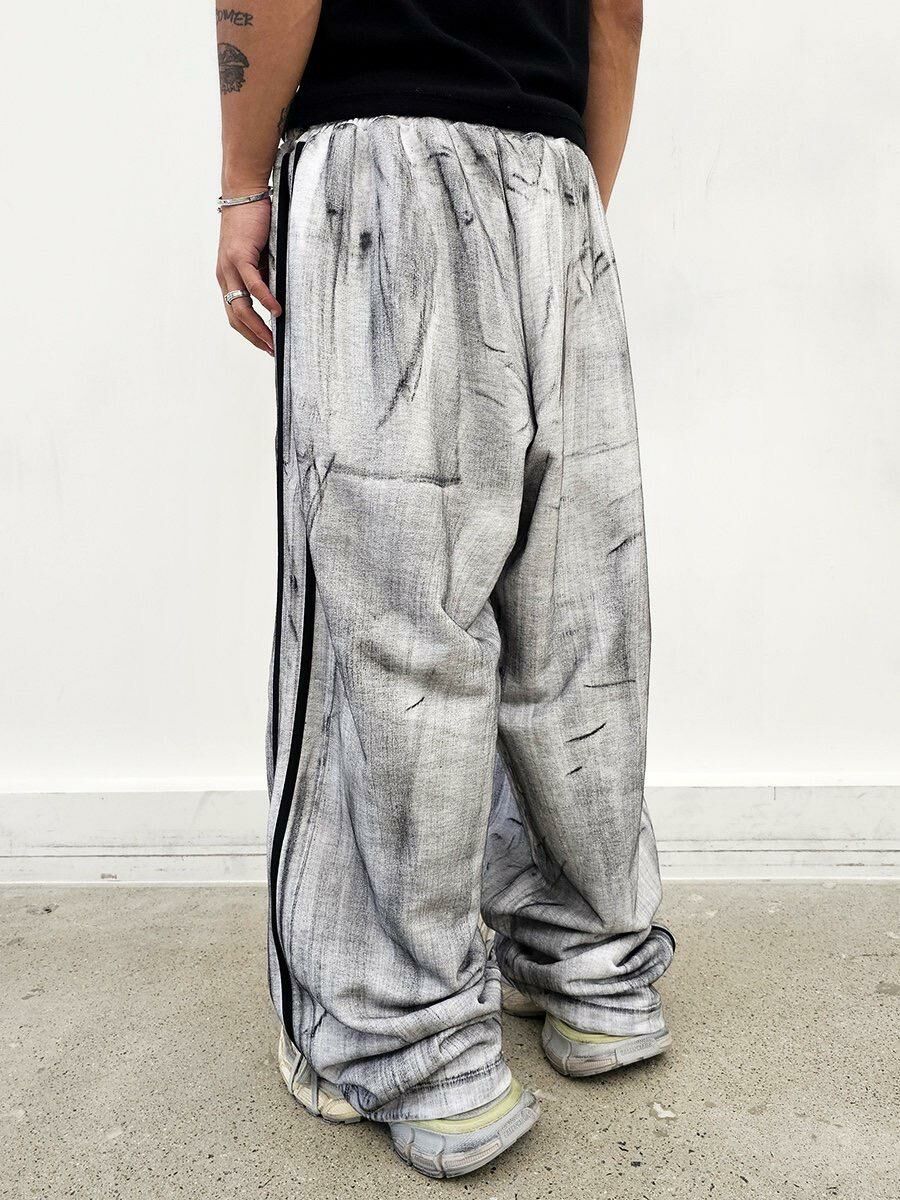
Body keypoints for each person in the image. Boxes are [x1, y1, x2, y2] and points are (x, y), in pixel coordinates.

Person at [214, 0, 674, 1178]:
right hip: (555, 179)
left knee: (391, 629)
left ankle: (411, 1047)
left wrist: (239, 182)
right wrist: (566, 205)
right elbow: (618, 12)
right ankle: (598, 976)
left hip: (384, 168)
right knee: (572, 617)